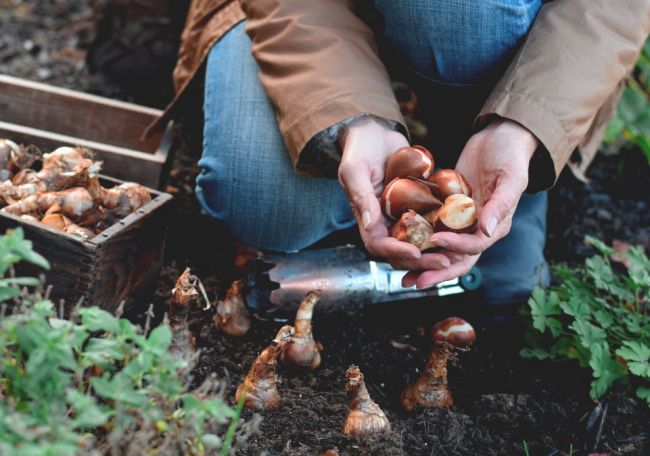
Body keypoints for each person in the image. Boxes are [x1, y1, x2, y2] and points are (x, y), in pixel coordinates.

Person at [158, 0, 650, 307]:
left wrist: (523, 127)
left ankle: (498, 169)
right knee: (265, 202)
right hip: (302, 13)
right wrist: (352, 119)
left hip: (488, 22)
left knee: (458, 8)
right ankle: (370, 186)